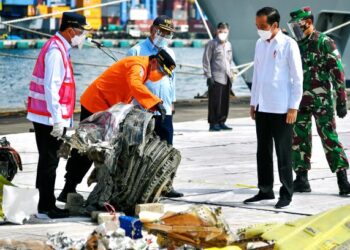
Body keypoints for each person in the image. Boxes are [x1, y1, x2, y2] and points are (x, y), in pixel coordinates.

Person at [57, 49, 176, 202]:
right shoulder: (138, 66)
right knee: (86, 147)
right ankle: (68, 189)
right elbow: (135, 84)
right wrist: (155, 102)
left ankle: (95, 189)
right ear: (154, 61)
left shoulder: (145, 68)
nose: (161, 75)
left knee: (106, 149)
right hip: (96, 103)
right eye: (161, 70)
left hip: (109, 109)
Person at [26, 12, 90, 218]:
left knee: (47, 161)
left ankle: (42, 203)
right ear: (71, 30)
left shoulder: (60, 47)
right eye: (81, 32)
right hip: (48, 118)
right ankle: (47, 206)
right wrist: (57, 119)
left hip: (47, 116)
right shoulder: (55, 50)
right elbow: (51, 87)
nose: (83, 36)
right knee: (50, 162)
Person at [244, 7, 303, 209]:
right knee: (263, 151)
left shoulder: (289, 45)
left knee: (283, 152)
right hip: (262, 106)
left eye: (263, 26)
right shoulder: (260, 44)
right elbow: (257, 75)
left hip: (282, 108)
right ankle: (265, 189)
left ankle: (286, 192)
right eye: (257, 26)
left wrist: (293, 107)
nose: (259, 30)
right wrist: (253, 103)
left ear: (275, 25)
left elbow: (297, 78)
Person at [288, 7, 350, 196]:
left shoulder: (324, 42)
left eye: (297, 25)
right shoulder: (295, 45)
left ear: (308, 22)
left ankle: (343, 180)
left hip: (322, 101)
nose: (295, 30)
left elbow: (337, 72)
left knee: (329, 138)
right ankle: (301, 179)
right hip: (300, 100)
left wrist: (341, 99)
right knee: (298, 139)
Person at [126, 15, 183, 198]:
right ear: (152, 30)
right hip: (143, 111)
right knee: (142, 151)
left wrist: (172, 103)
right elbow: (131, 83)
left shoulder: (170, 53)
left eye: (168, 33)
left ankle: (166, 185)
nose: (165, 36)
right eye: (162, 32)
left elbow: (172, 81)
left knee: (167, 148)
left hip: (164, 109)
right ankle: (141, 187)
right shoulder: (136, 51)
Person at [203, 22, 234, 132]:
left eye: (225, 32)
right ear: (217, 31)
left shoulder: (229, 44)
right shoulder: (212, 44)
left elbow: (229, 61)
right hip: (215, 77)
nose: (223, 33)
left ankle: (222, 121)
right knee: (215, 102)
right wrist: (208, 76)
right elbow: (206, 60)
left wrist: (231, 74)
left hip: (226, 77)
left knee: (225, 101)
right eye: (221, 31)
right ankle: (213, 123)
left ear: (228, 32)